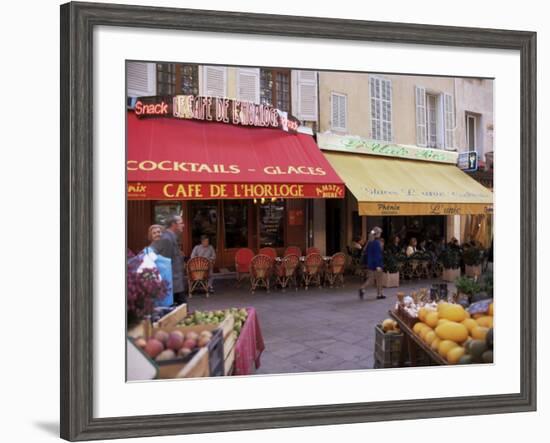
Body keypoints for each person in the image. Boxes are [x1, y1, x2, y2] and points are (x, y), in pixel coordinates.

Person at [151, 214, 186, 305]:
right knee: (181, 310)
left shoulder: (171, 237)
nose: (183, 225)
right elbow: (165, 265)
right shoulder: (167, 239)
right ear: (174, 225)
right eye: (181, 223)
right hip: (173, 286)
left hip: (176, 284)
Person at [359, 226, 385, 300]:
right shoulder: (377, 243)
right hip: (377, 264)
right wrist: (378, 265)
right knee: (379, 279)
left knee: (370, 280)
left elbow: (367, 253)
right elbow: (377, 255)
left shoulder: (369, 242)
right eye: (380, 233)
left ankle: (362, 288)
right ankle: (379, 294)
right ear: (377, 233)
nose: (380, 234)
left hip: (370, 263)